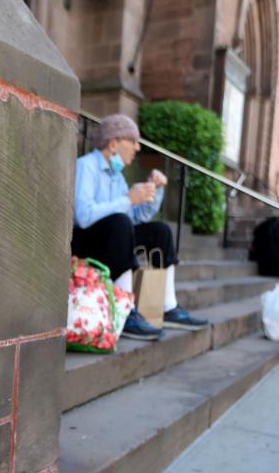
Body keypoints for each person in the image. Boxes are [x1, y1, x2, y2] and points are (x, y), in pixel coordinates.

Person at [73, 114, 209, 340]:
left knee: (160, 231)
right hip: (86, 241)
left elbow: (137, 217)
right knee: (121, 222)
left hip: (114, 235)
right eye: (133, 141)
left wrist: (153, 191)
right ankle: (126, 311)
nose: (137, 148)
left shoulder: (116, 176)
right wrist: (128, 199)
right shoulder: (86, 166)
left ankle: (168, 306)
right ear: (114, 142)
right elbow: (83, 216)